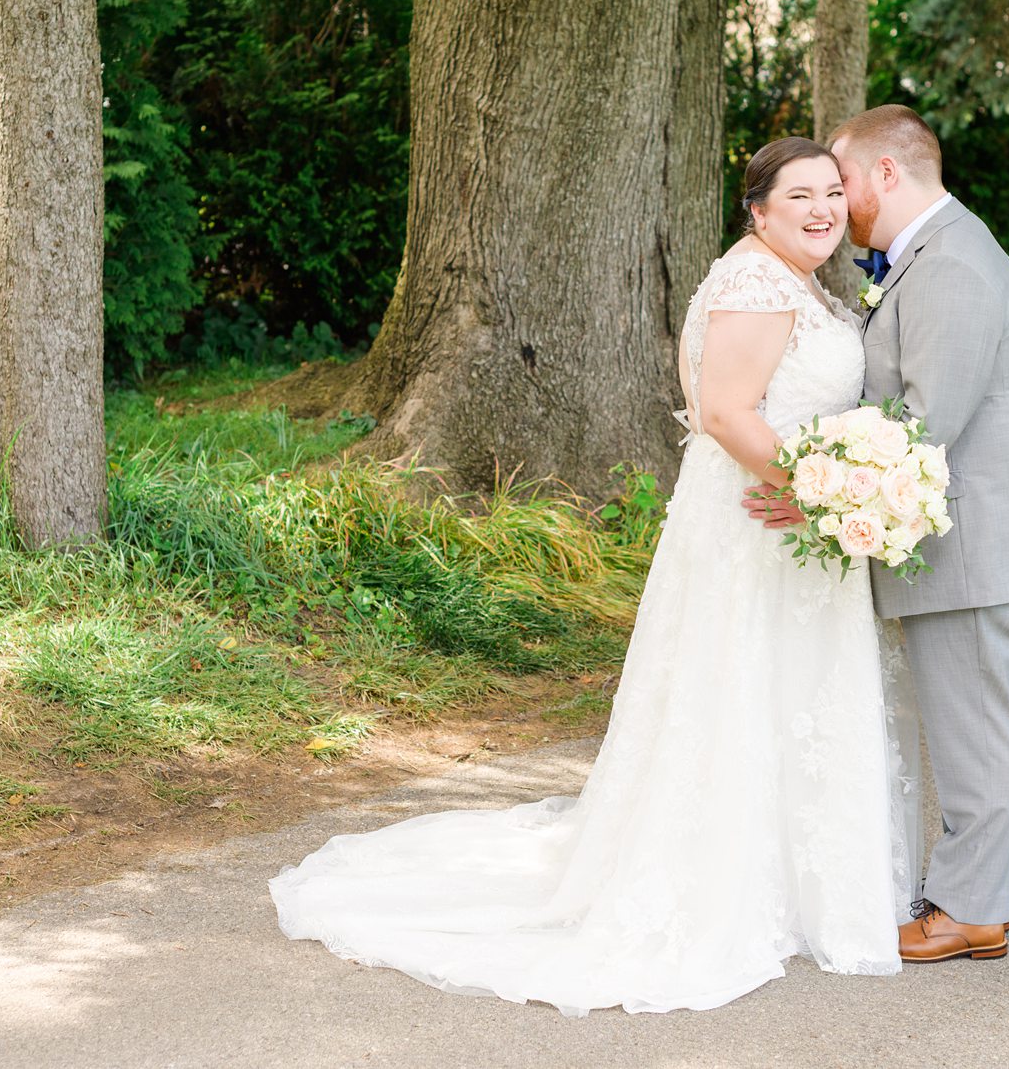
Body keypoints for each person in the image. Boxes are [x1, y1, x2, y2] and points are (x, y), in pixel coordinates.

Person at [269, 137, 918, 1016]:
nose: (822, 209)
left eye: (833, 193)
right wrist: (822, 493)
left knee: (769, 692)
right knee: (745, 685)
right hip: (761, 522)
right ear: (757, 210)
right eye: (798, 194)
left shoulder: (792, 282)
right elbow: (725, 413)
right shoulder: (759, 284)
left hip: (775, 521)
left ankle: (790, 879)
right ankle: (735, 885)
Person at [746, 105, 1009, 963]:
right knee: (969, 721)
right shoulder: (931, 253)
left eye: (841, 180)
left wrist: (816, 496)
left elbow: (922, 427)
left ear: (884, 174)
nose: (834, 201)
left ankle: (971, 911)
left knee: (974, 726)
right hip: (968, 541)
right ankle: (967, 890)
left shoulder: (953, 265)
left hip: (974, 547)